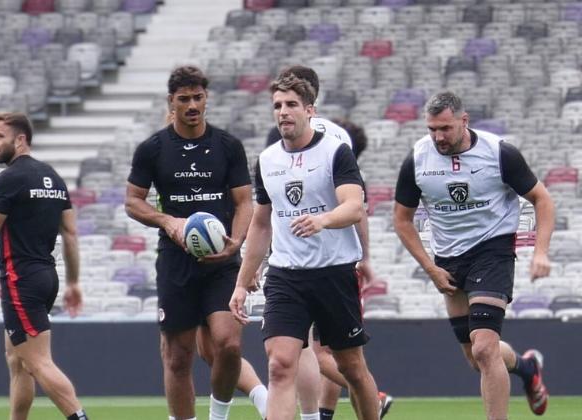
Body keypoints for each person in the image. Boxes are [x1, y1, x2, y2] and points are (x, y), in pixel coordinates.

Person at [393, 91, 553, 419]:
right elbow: (401, 219)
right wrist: (430, 269)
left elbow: (542, 199)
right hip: (449, 260)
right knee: (475, 357)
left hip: (492, 251)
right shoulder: (418, 159)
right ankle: (527, 368)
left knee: (483, 347)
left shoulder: (499, 154)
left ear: (464, 121)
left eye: (445, 129)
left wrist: (541, 252)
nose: (438, 136)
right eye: (432, 129)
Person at [230, 75, 380, 420]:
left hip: (334, 272)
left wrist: (323, 220)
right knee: (280, 365)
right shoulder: (267, 160)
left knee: (352, 368)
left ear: (310, 110)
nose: (283, 112)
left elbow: (355, 207)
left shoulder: (335, 152)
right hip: (286, 276)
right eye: (277, 106)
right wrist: (242, 281)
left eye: (291, 105)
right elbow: (261, 222)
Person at [126, 65, 253, 420]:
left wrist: (237, 243)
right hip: (175, 262)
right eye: (184, 99)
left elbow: (245, 202)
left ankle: (218, 415)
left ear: (206, 98)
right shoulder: (152, 149)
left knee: (228, 344)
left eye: (198, 97)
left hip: (223, 261)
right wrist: (167, 220)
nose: (192, 105)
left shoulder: (228, 145)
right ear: (172, 102)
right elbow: (132, 200)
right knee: (178, 357)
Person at [0, 112, 89, 420]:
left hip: (20, 279)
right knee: (17, 360)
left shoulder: (9, 179)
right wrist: (74, 282)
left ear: (20, 139)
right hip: (46, 277)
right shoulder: (54, 178)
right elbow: (71, 235)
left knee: (38, 362)